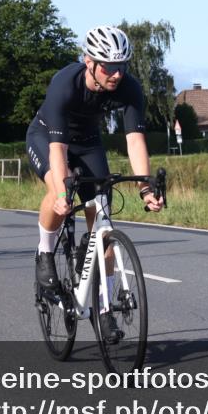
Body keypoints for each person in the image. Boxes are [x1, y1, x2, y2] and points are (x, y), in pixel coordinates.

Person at [26, 25, 164, 290]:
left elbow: (135, 140)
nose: (116, 75)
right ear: (88, 61)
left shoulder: (129, 88)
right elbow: (58, 149)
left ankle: (106, 308)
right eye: (107, 67)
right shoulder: (65, 84)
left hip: (89, 143)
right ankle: (45, 253)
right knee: (57, 186)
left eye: (121, 67)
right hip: (47, 138)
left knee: (102, 221)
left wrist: (145, 188)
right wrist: (61, 195)